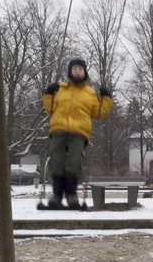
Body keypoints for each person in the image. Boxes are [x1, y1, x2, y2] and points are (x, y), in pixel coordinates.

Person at [42, 58, 113, 209]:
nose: (77, 71)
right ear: (70, 71)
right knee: (57, 162)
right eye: (74, 69)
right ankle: (56, 196)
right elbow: (50, 109)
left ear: (84, 72)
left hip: (79, 131)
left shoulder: (90, 93)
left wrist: (106, 99)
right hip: (58, 129)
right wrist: (48, 94)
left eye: (80, 69)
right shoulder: (60, 89)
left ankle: (71, 196)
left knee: (73, 164)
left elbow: (99, 114)